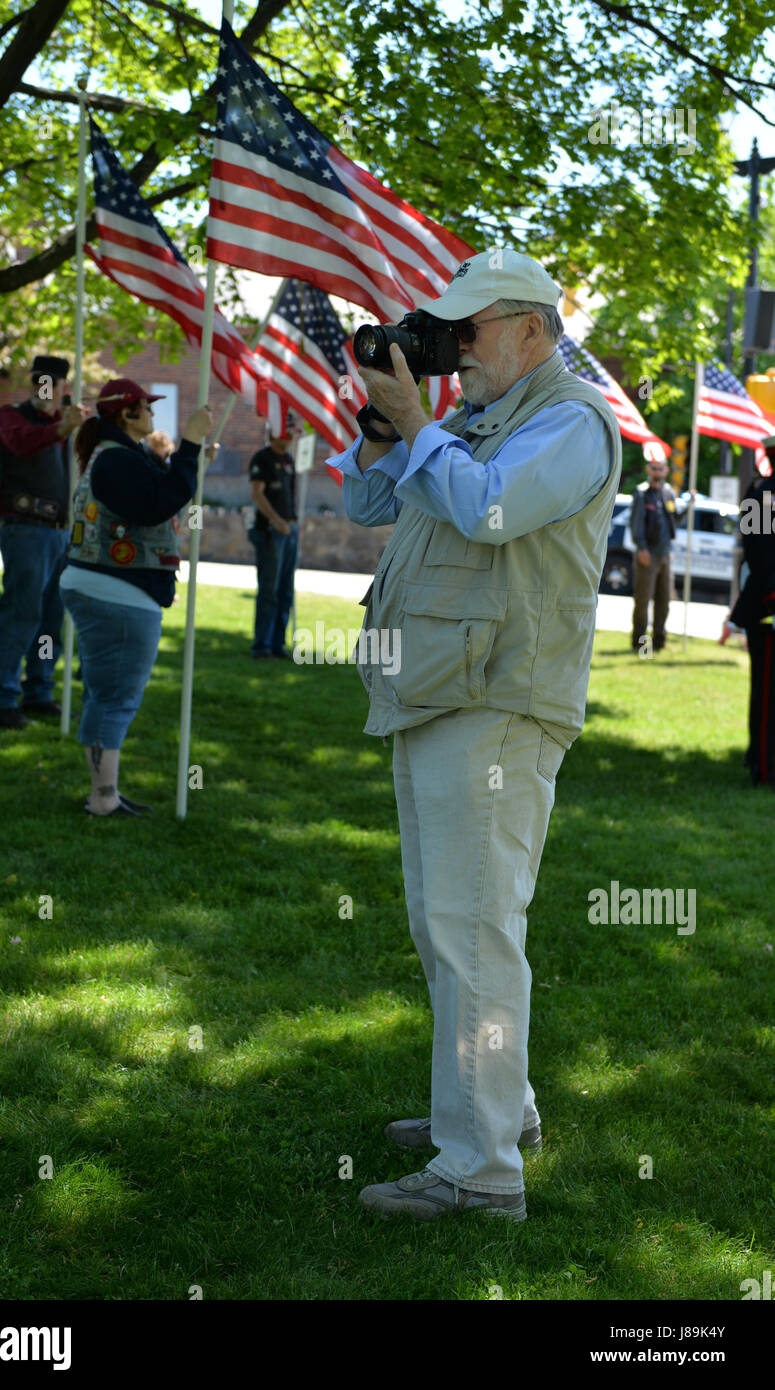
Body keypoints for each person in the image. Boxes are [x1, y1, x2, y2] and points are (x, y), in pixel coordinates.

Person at [327, 248, 622, 1221]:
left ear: (533, 328)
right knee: (448, 922)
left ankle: (481, 1171)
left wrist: (419, 424)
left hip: (499, 704)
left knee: (474, 928)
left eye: (471, 330)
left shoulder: (572, 421)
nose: (453, 349)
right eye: (447, 332)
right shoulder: (467, 419)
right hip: (442, 692)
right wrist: (384, 421)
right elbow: (370, 501)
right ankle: (496, 1110)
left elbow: (489, 510)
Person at [58, 378, 212, 816]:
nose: (152, 413)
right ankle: (103, 798)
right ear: (125, 413)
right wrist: (192, 440)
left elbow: (163, 489)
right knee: (115, 697)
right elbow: (159, 503)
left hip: (104, 587)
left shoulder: (119, 457)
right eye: (146, 406)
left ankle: (101, 793)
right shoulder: (116, 461)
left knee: (102, 694)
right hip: (117, 592)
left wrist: (194, 454)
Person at [0, 354, 87, 728]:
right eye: (39, 382)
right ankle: (2, 697)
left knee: (49, 619)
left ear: (64, 389)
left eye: (53, 384)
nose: (45, 390)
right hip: (26, 527)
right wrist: (61, 429)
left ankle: (39, 689)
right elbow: (22, 443)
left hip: (61, 532)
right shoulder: (11, 416)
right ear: (33, 384)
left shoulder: (66, 426)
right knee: (21, 613)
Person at [728, 436, 775, 787]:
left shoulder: (760, 495)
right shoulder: (760, 496)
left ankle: (761, 761)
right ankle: (763, 765)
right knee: (766, 691)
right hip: (768, 606)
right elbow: (759, 559)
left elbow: (755, 556)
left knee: (766, 691)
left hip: (766, 603)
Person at [247, 412, 301, 659]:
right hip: (271, 531)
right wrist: (276, 521)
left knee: (286, 590)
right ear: (275, 431)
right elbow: (258, 494)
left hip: (290, 530)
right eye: (287, 429)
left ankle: (278, 644)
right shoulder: (262, 458)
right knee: (269, 589)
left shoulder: (289, 460)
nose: (291, 434)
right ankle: (262, 645)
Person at [630, 458, 676, 653]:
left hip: (665, 554)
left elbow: (674, 519)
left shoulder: (668, 492)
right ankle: (640, 642)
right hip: (648, 554)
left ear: (666, 470)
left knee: (664, 600)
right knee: (643, 601)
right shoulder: (642, 493)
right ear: (649, 469)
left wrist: (689, 504)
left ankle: (659, 640)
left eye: (661, 468)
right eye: (654, 468)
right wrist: (641, 548)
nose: (657, 471)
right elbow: (636, 523)